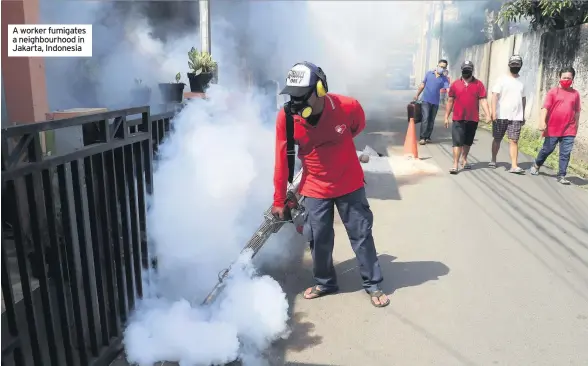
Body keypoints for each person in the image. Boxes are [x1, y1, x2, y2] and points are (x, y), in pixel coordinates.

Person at [271, 61, 389, 308]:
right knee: (319, 238)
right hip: (314, 186)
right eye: (291, 96)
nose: (295, 103)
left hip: (349, 182)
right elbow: (282, 160)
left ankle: (373, 284)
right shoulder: (287, 117)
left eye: (301, 96)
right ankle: (325, 282)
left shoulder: (348, 107)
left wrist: (335, 143)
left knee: (361, 234)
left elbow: (356, 127)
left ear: (321, 89)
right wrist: (279, 199)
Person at [530, 67, 581, 185]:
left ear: (573, 79)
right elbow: (545, 108)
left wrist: (576, 126)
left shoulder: (575, 94)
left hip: (569, 128)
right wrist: (542, 122)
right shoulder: (553, 92)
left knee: (565, 153)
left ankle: (561, 175)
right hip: (552, 127)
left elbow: (577, 111)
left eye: (569, 78)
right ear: (559, 78)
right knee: (548, 149)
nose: (566, 80)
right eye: (564, 78)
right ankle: (537, 164)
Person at [444, 61, 492, 174]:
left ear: (472, 70)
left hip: (472, 118)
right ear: (462, 70)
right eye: (465, 69)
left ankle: (464, 159)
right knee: (457, 142)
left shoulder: (478, 84)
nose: (466, 71)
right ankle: (455, 164)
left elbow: (483, 100)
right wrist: (446, 116)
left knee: (467, 142)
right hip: (458, 118)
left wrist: (488, 114)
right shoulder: (455, 84)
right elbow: (450, 101)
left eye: (468, 69)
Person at [490, 55, 526, 174]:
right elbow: (495, 95)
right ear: (509, 65)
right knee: (497, 138)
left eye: (517, 64)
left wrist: (523, 114)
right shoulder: (501, 79)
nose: (515, 66)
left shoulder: (523, 81)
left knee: (514, 140)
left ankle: (514, 165)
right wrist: (493, 112)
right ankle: (493, 159)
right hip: (501, 115)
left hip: (516, 116)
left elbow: (523, 99)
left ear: (520, 65)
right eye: (513, 64)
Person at [414, 59, 450, 145]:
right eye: (441, 66)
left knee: (431, 120)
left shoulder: (444, 79)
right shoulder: (429, 74)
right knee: (425, 118)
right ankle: (422, 138)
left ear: (445, 69)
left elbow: (448, 89)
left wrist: (452, 97)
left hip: (435, 102)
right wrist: (417, 95)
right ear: (437, 66)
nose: (442, 68)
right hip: (425, 100)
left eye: (444, 67)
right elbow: (423, 85)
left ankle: (427, 136)